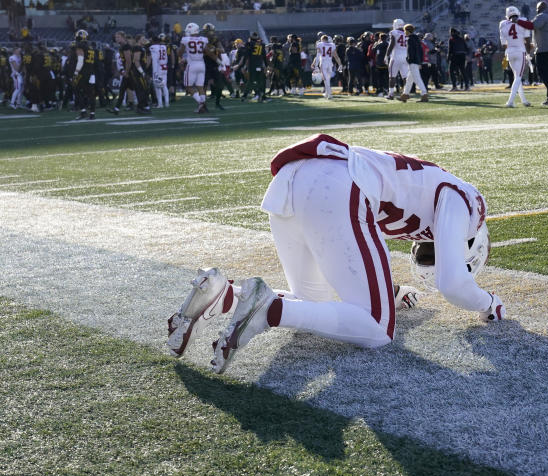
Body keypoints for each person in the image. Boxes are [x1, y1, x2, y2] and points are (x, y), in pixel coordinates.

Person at [166, 134, 503, 373]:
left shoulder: (420, 192)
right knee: (377, 328)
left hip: (297, 179)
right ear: (472, 245)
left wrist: (391, 293)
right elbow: (453, 284)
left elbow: (344, 256)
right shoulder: (469, 204)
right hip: (339, 182)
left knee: (314, 302)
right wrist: (489, 304)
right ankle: (269, 309)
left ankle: (224, 293)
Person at [500, 5, 533, 107]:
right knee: (518, 77)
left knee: (516, 77)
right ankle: (510, 101)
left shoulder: (502, 24)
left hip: (510, 51)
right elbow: (527, 40)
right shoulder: (523, 20)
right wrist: (528, 53)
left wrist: (510, 47)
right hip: (520, 51)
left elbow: (503, 44)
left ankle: (523, 100)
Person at [179, 22, 208, 112]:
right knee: (200, 87)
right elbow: (206, 51)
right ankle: (203, 105)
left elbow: (180, 52)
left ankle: (201, 103)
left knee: (188, 86)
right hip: (201, 64)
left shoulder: (185, 39)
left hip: (192, 65)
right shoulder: (203, 39)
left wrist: (181, 57)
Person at [400, 23, 428, 102]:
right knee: (409, 79)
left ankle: (424, 94)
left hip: (412, 61)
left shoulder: (409, 39)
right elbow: (420, 51)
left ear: (407, 31)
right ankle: (405, 94)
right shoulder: (417, 39)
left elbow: (410, 52)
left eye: (405, 30)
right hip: (417, 61)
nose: (404, 32)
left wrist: (409, 59)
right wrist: (420, 61)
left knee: (417, 78)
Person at [385, 18, 409, 99]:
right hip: (405, 57)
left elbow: (391, 44)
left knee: (392, 76)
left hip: (395, 57)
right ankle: (406, 93)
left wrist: (386, 55)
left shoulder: (394, 32)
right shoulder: (407, 33)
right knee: (405, 77)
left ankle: (391, 94)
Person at [313, 34, 341, 99]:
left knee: (326, 80)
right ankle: (326, 93)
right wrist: (340, 64)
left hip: (323, 63)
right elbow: (336, 56)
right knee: (327, 79)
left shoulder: (320, 44)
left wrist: (316, 65)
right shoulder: (332, 45)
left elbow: (318, 56)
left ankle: (330, 94)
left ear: (322, 39)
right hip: (330, 63)